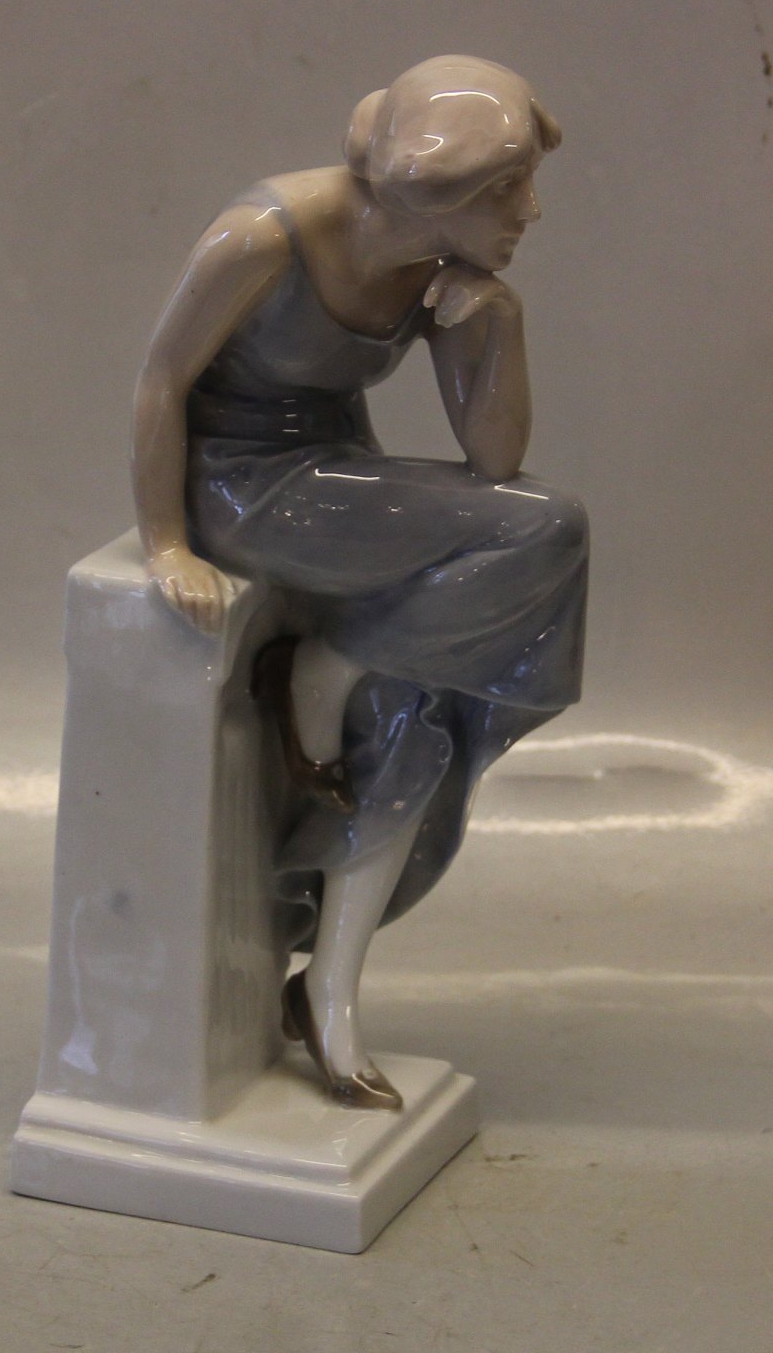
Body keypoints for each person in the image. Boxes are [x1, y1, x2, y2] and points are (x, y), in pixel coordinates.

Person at [132, 56, 588, 1110]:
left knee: (418, 704)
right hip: (242, 488)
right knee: (550, 528)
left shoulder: (434, 266)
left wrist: (494, 322)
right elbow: (160, 380)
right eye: (508, 187)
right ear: (436, 184)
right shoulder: (263, 237)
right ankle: (326, 669)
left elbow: (493, 462)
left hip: (339, 482)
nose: (529, 210)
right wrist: (165, 544)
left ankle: (328, 991)